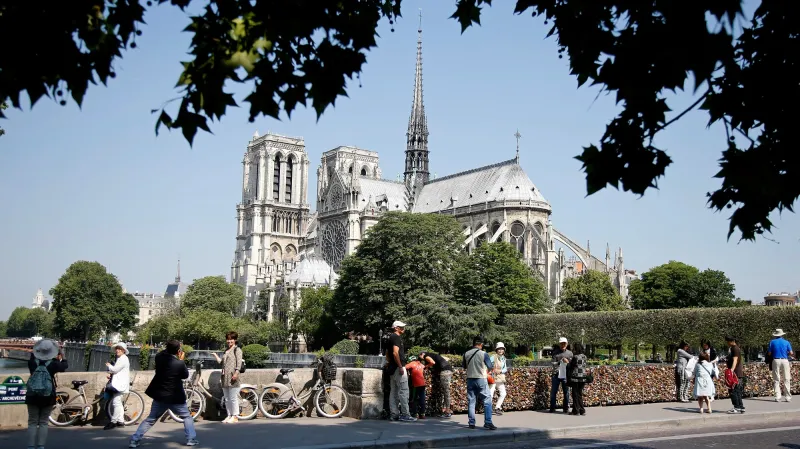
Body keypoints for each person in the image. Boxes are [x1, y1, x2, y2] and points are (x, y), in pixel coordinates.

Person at [129, 340, 198, 448]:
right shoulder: (179, 363)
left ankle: (135, 439)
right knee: (186, 417)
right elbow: (185, 375)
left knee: (151, 419)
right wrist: (181, 360)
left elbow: (161, 354)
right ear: (178, 351)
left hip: (160, 396)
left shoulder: (159, 358)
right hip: (176, 397)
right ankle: (191, 439)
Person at [26, 339, 68, 449]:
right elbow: (65, 365)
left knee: (32, 422)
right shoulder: (53, 364)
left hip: (32, 395)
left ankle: (30, 446)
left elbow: (32, 357)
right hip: (48, 396)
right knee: (44, 422)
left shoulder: (31, 363)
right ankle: (41, 446)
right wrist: (62, 354)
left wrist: (34, 351)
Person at [463, 335, 496, 430]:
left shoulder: (466, 353)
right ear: (481, 344)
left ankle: (471, 423)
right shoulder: (483, 354)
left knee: (471, 401)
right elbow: (490, 366)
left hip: (470, 379)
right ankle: (488, 422)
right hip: (481, 379)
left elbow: (464, 367)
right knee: (487, 400)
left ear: (473, 344)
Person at [386, 320, 416, 421]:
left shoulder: (390, 337)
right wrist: (400, 366)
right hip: (398, 368)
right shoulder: (396, 337)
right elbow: (395, 353)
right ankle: (405, 414)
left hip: (392, 368)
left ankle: (394, 414)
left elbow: (387, 353)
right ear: (396, 328)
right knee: (404, 391)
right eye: (401, 327)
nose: (403, 328)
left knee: (393, 392)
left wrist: (390, 363)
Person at [212, 331, 243, 423]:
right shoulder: (226, 350)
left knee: (233, 397)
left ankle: (235, 416)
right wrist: (215, 355)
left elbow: (239, 363)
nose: (229, 341)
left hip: (233, 376)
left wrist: (236, 374)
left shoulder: (237, 350)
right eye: (228, 339)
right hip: (225, 377)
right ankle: (229, 415)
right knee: (227, 398)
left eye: (231, 339)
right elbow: (221, 362)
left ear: (235, 340)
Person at [419, 350, 454, 417]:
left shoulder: (426, 356)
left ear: (422, 354)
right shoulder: (433, 355)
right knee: (445, 391)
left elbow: (432, 362)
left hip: (445, 372)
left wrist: (426, 366)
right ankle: (446, 410)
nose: (421, 358)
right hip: (447, 371)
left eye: (420, 356)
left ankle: (447, 411)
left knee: (446, 391)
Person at [105, 342, 131, 429]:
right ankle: (120, 421)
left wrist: (109, 366)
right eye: (117, 349)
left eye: (119, 349)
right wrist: (111, 373)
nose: (117, 350)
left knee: (116, 402)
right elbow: (118, 371)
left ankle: (113, 421)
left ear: (123, 350)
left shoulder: (123, 359)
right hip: (119, 383)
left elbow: (115, 369)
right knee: (118, 403)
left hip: (120, 384)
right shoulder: (121, 358)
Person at [767, 328, 794, 402]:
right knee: (786, 378)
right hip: (785, 360)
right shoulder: (786, 342)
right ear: (782, 335)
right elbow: (791, 353)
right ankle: (787, 397)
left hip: (776, 360)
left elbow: (769, 353)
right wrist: (786, 353)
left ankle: (777, 397)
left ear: (775, 335)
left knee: (776, 379)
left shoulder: (772, 342)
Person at [549, 337, 573, 413]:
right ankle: (552, 408)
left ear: (567, 344)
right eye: (561, 343)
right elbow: (553, 363)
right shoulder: (555, 353)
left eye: (564, 343)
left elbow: (572, 364)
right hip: (556, 374)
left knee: (566, 393)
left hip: (565, 375)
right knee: (553, 392)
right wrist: (560, 361)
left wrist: (568, 362)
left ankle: (565, 408)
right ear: (559, 344)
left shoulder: (570, 353)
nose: (563, 345)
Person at [724, 336, 745, 414]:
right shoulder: (736, 348)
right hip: (737, 372)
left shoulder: (734, 348)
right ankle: (741, 407)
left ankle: (736, 407)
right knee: (738, 390)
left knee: (733, 390)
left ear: (731, 341)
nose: (727, 343)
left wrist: (731, 371)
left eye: (728, 341)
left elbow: (735, 360)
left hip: (735, 373)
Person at [568, 343, 590, 416]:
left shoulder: (575, 357)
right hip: (583, 378)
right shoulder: (585, 357)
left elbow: (571, 366)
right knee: (579, 394)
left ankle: (577, 411)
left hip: (575, 378)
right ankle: (581, 410)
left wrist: (567, 362)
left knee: (575, 394)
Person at [488, 342, 508, 415]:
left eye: (502, 349)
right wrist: (493, 370)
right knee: (490, 394)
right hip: (492, 377)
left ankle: (497, 407)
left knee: (503, 393)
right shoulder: (493, 357)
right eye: (499, 349)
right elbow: (488, 365)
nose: (501, 350)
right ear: (496, 350)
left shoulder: (503, 358)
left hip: (500, 378)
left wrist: (501, 371)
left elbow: (505, 368)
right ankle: (488, 408)